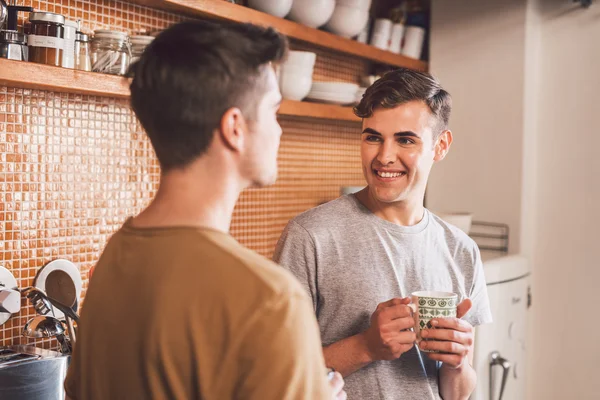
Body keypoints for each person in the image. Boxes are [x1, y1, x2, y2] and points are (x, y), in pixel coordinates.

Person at [64, 20, 346, 400]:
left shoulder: (113, 259)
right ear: (234, 128)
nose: (279, 130)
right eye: (273, 112)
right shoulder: (269, 300)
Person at [274, 68, 492, 400]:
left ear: (440, 146)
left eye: (405, 139)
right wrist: (366, 346)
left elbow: (458, 393)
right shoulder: (309, 236)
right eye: (373, 137)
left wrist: (458, 365)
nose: (384, 157)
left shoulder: (461, 249)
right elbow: (278, 375)